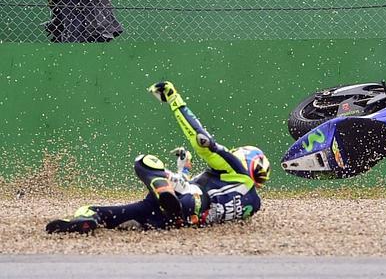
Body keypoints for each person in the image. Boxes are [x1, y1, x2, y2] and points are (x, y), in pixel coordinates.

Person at [46, 81, 271, 233]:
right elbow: (206, 193)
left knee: (144, 161)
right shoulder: (253, 205)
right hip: (177, 219)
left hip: (186, 201)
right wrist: (183, 168)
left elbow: (200, 138)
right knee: (116, 215)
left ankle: (96, 214)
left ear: (246, 160)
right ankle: (88, 220)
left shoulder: (237, 171)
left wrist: (174, 99)